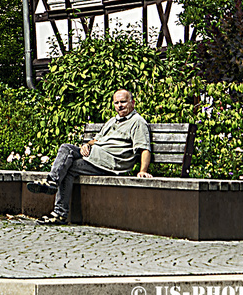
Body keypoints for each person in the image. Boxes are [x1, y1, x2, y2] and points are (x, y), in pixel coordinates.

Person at [28, 88, 152, 225]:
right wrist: (87, 144)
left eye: (123, 102)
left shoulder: (137, 122)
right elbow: (97, 140)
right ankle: (55, 194)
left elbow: (144, 148)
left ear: (132, 103)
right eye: (116, 103)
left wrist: (143, 171)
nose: (120, 106)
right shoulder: (112, 121)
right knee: (66, 151)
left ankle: (58, 206)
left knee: (68, 163)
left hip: (110, 163)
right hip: (94, 156)